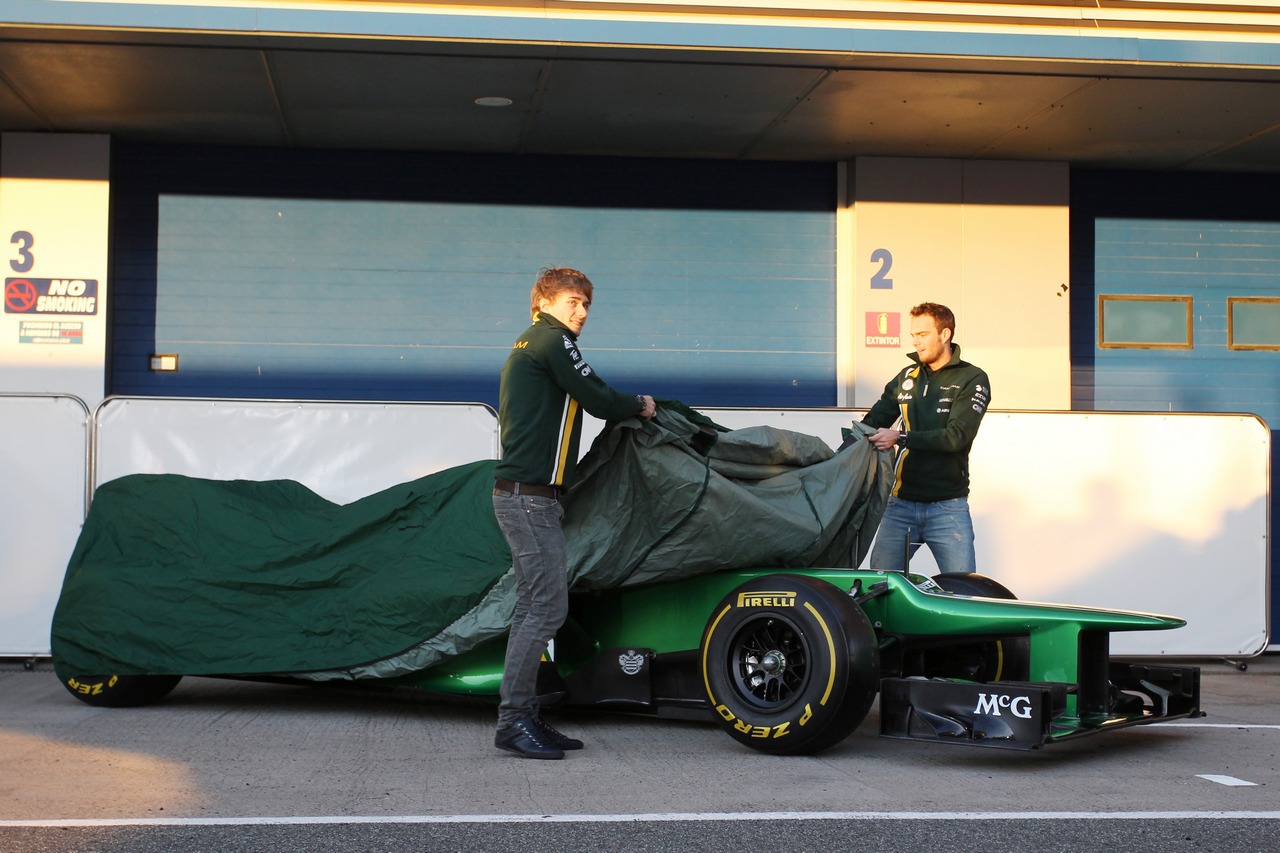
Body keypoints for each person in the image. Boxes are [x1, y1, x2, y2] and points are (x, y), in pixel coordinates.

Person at [492, 267, 656, 760]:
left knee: (533, 606)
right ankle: (514, 720)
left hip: (526, 496)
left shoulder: (530, 344)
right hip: (528, 499)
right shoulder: (550, 340)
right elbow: (600, 398)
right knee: (545, 607)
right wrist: (642, 405)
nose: (581, 312)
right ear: (543, 302)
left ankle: (526, 714)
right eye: (571, 301)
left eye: (585, 304)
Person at [859, 302, 990, 574]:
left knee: (963, 592)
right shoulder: (907, 376)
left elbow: (957, 438)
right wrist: (832, 456)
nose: (916, 342)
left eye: (923, 334)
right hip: (899, 507)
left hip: (948, 508)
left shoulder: (973, 378)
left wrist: (901, 437)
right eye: (913, 336)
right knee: (878, 588)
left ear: (945, 335)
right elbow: (871, 424)